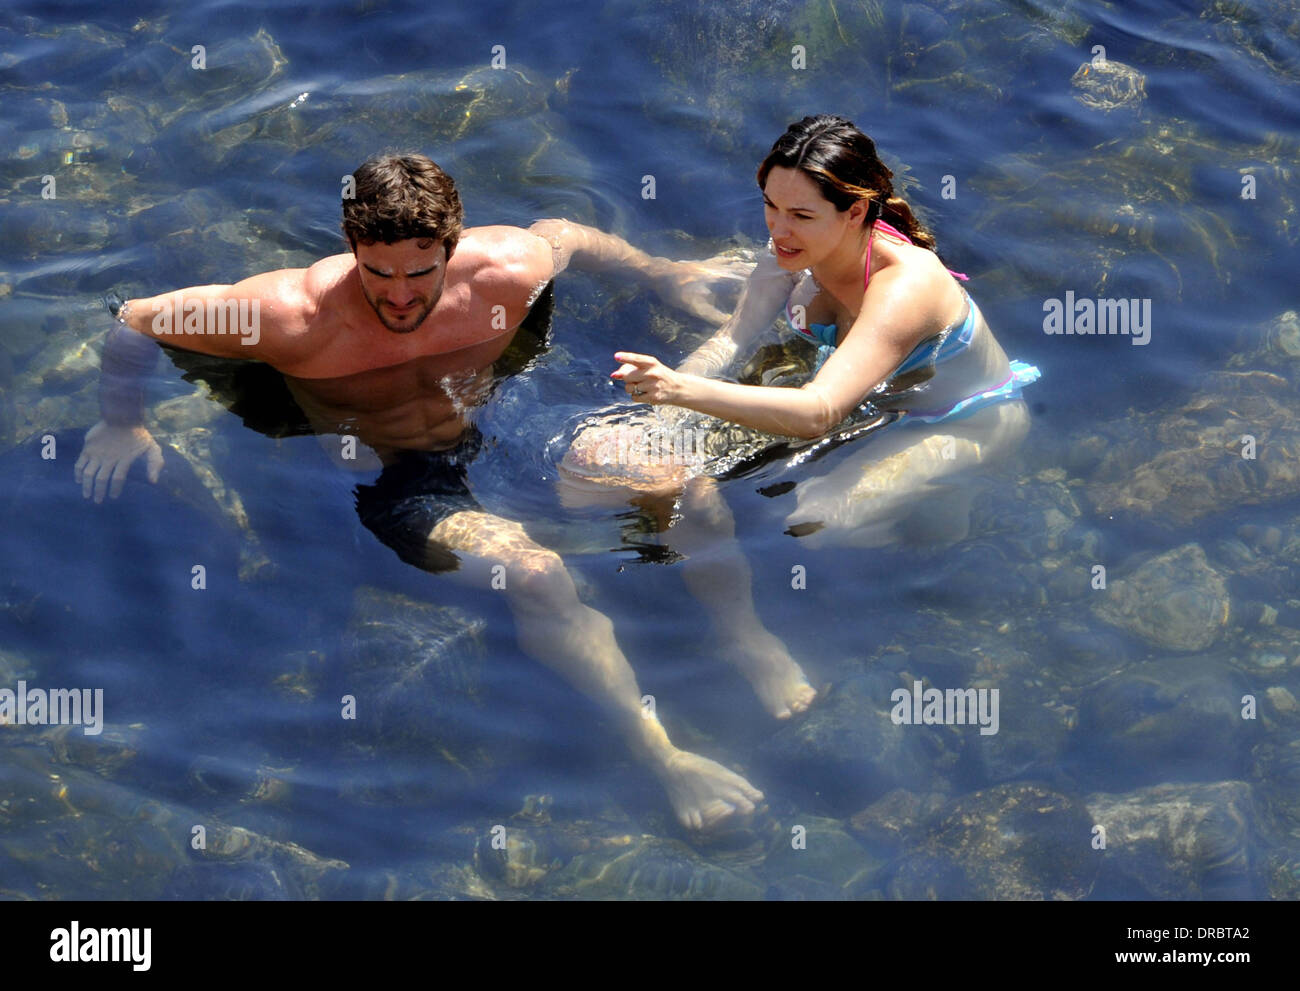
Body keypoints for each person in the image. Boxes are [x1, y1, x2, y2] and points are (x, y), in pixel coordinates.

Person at [74, 152, 765, 832]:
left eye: (419, 272)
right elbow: (135, 318)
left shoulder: (504, 268)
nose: (399, 295)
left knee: (684, 486)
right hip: (401, 478)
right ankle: (664, 755)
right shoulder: (284, 314)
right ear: (351, 246)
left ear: (451, 248)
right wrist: (121, 422)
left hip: (509, 424)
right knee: (537, 572)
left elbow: (570, 234)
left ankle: (746, 638)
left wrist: (664, 272)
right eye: (378, 274)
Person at [555, 116, 1039, 688]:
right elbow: (732, 340)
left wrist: (680, 389)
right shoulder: (791, 248)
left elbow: (818, 412)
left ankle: (936, 535)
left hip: (966, 422)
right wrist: (656, 418)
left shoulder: (907, 285)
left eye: (801, 215)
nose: (779, 231)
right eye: (770, 206)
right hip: (878, 404)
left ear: (855, 211)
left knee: (813, 520)